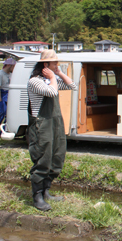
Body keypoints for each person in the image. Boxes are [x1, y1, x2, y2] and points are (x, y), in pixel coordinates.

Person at [27, 50, 76, 211]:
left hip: (55, 125)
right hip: (41, 126)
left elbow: (72, 85)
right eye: (55, 63)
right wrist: (53, 77)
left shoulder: (50, 80)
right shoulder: (35, 81)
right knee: (43, 159)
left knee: (56, 157)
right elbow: (52, 92)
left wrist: (59, 73)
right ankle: (37, 197)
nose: (57, 65)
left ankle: (46, 192)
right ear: (45, 65)